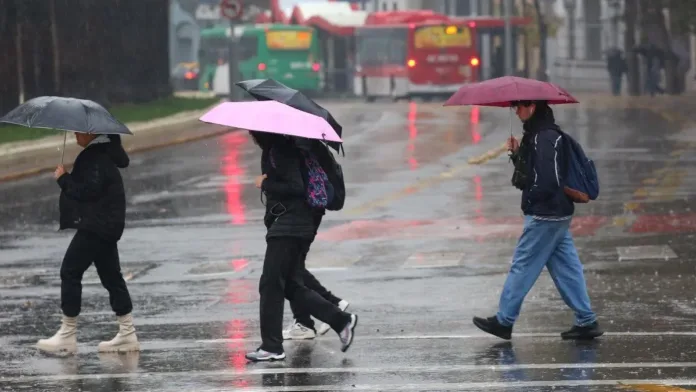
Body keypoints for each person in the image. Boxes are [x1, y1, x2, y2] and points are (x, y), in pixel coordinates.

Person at [472, 101, 603, 341]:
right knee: (567, 268)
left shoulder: (544, 138)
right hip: (557, 213)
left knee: (523, 265)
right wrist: (516, 154)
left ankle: (504, 320)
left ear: (532, 107)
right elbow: (532, 174)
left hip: (545, 214)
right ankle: (586, 320)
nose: (516, 111)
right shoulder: (540, 135)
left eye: (519, 106)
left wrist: (532, 199)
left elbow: (547, 180)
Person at [245, 132, 358, 362]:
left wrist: (265, 182)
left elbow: (296, 187)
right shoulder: (293, 145)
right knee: (290, 285)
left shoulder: (279, 148)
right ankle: (340, 320)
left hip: (290, 225)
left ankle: (272, 347)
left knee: (270, 284)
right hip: (301, 223)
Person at [36, 133, 139, 354]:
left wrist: (63, 178)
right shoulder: (103, 154)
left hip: (97, 225)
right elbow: (95, 188)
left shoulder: (93, 156)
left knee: (70, 271)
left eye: (79, 130)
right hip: (107, 225)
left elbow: (87, 191)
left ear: (92, 132)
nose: (75, 133)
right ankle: (128, 334)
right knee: (111, 276)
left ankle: (67, 335)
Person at [283, 209, 350, 340]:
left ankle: (306, 321)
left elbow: (294, 189)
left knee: (290, 268)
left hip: (298, 215)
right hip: (299, 214)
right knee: (293, 267)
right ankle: (304, 322)